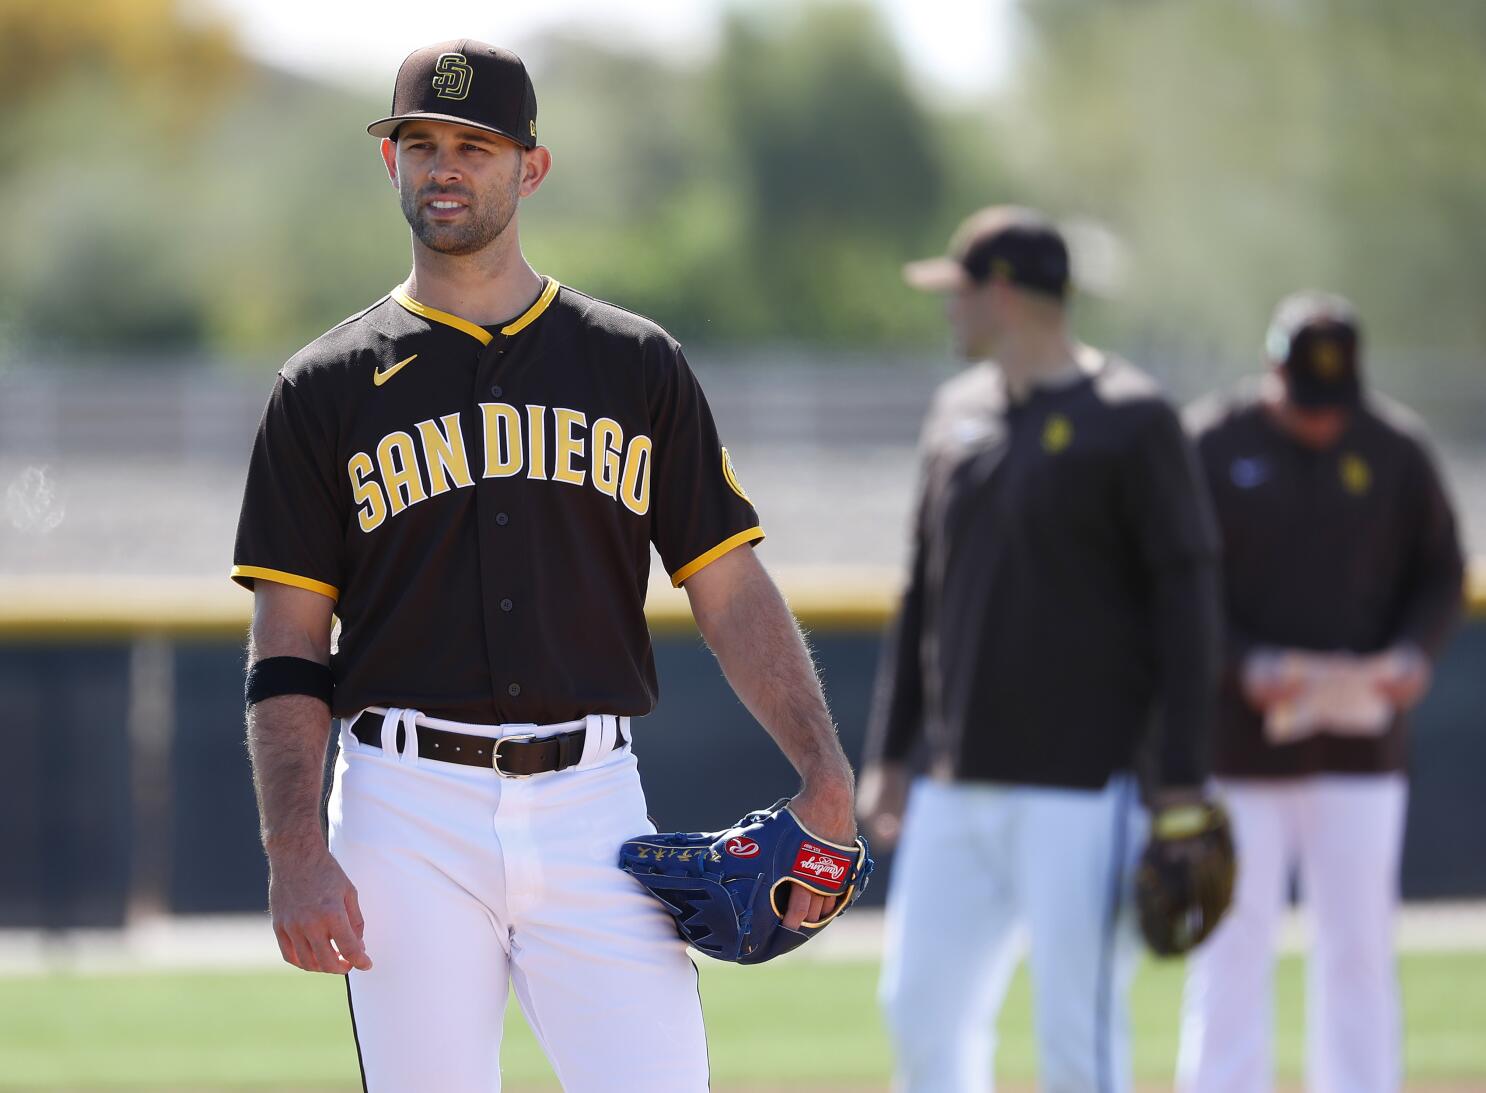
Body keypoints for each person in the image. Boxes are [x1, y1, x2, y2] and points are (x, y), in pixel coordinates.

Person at [229, 40, 857, 1093]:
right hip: (403, 802)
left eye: (475, 146)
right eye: (420, 142)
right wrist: (293, 847)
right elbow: (287, 645)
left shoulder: (632, 362)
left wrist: (824, 770)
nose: (444, 167)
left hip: (593, 800)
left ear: (532, 166)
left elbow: (730, 586)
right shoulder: (324, 385)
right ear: (389, 163)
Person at [857, 206, 1223, 1093]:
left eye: (959, 291)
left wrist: (1180, 777)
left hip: (1084, 787)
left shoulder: (1134, 420)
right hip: (955, 777)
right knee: (918, 1011)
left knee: (1077, 1035)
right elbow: (922, 593)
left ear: (1006, 293)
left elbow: (1189, 605)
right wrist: (890, 754)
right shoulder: (956, 412)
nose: (949, 309)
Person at [1177, 291, 1464, 1093]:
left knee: (1361, 945)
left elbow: (1441, 570)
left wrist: (1413, 651)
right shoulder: (1211, 441)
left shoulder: (1394, 447)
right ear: (1272, 369)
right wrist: (1244, 664)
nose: (1321, 418)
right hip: (1239, 744)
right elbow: (1180, 587)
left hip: (1360, 745)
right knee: (1230, 944)